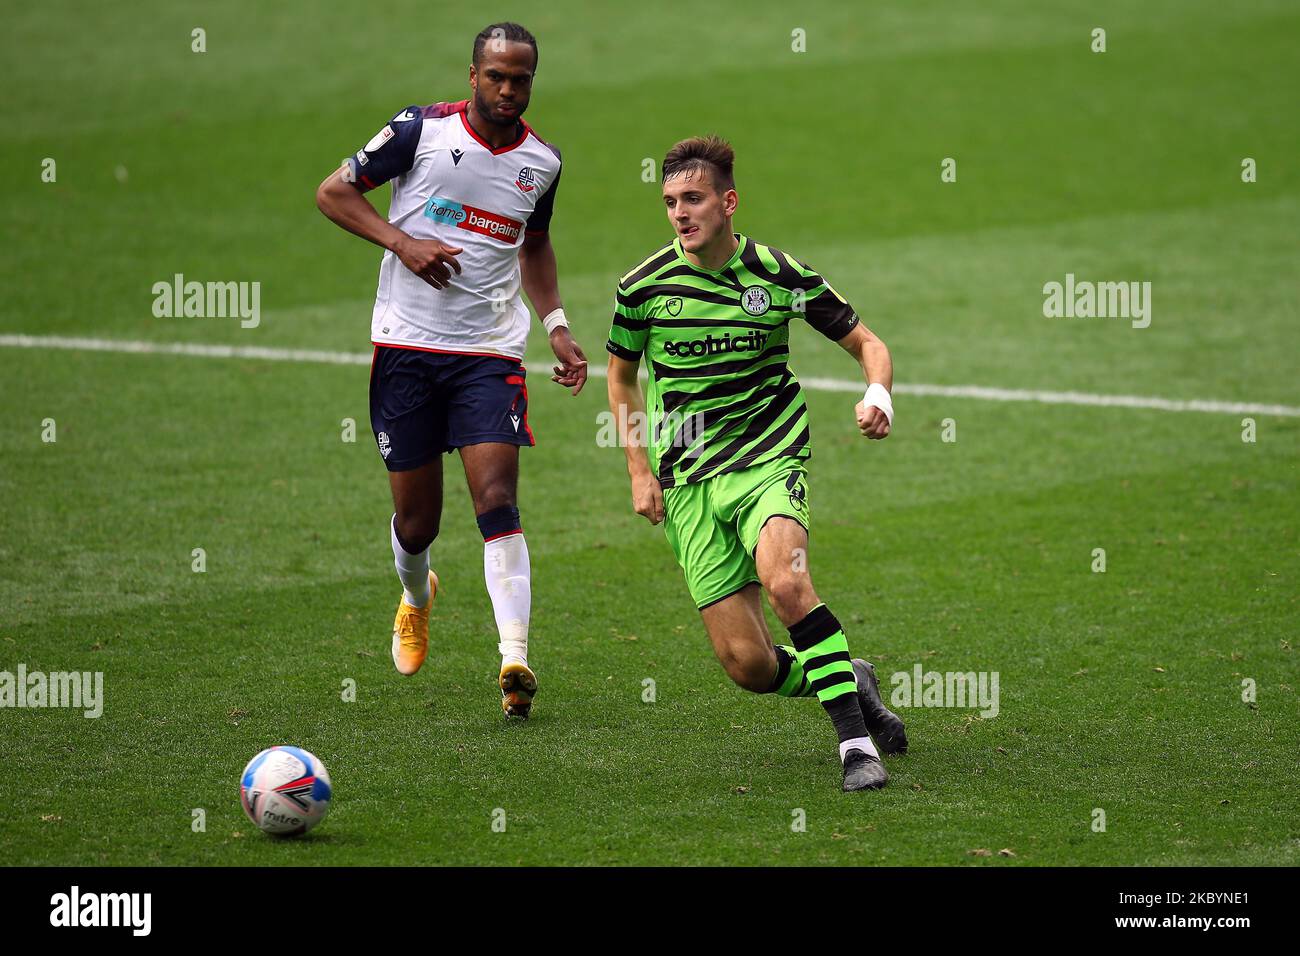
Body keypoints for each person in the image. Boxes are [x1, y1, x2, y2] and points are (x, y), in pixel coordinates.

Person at [604, 135, 907, 790]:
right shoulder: (644, 287)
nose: (681, 213)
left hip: (770, 458)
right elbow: (621, 378)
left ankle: (855, 746)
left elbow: (868, 343)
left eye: (693, 199)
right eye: (669, 202)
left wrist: (877, 393)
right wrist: (637, 468)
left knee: (788, 584)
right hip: (689, 483)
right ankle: (847, 676)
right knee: (748, 664)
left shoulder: (777, 274)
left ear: (728, 202)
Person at [315, 22, 587, 719]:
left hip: (489, 354)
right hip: (406, 347)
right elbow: (333, 194)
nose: (508, 89)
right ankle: (415, 596)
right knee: (417, 523)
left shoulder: (543, 163)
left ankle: (514, 657)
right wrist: (402, 242)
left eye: (520, 78)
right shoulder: (418, 131)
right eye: (495, 75)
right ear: (472, 75)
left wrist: (555, 326)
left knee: (496, 499)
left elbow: (536, 245)